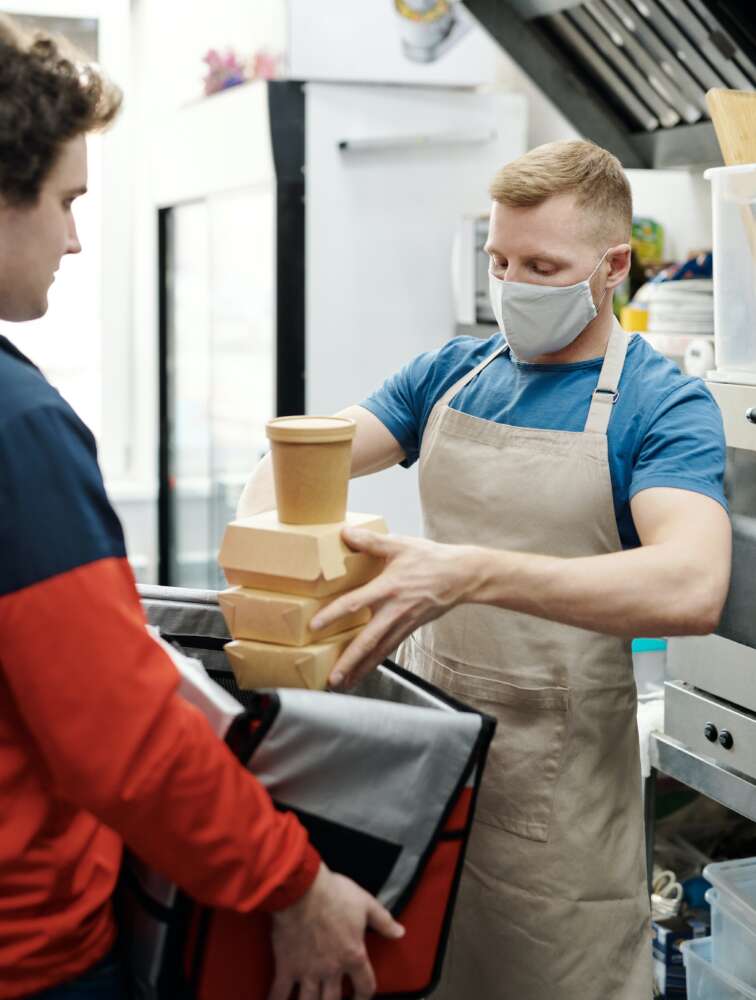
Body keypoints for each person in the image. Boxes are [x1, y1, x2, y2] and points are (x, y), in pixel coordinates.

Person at [238, 139, 732, 999]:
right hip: (435, 772)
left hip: (564, 819)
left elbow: (691, 585)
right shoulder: (453, 373)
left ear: (612, 266)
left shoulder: (660, 403)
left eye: (543, 265)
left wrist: (466, 571)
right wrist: (262, 559)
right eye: (499, 260)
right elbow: (303, 459)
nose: (512, 285)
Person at [0, 16, 402, 1000]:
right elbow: (120, 743)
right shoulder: (18, 429)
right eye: (65, 200)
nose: (76, 237)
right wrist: (294, 882)